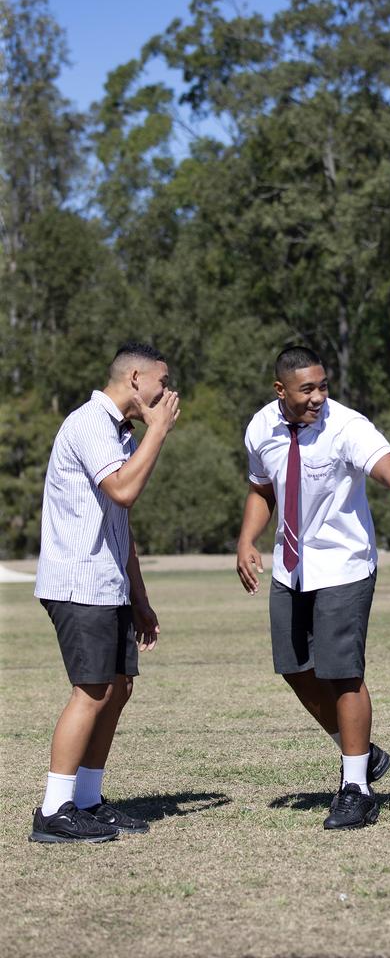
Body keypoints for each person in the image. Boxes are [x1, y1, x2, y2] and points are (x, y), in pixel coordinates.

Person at [236, 346, 390, 830]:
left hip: (344, 566)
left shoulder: (348, 426)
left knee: (341, 672)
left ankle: (356, 789)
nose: (318, 397)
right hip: (292, 569)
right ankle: (363, 754)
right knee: (293, 667)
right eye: (307, 389)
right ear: (280, 390)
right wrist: (246, 540)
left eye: (323, 386)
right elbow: (263, 488)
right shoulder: (260, 428)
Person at [30, 343, 180, 843]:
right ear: (135, 378)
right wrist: (158, 430)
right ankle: (54, 810)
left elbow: (120, 520)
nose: (167, 393)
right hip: (78, 581)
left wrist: (138, 596)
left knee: (118, 687)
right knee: (92, 690)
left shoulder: (120, 433)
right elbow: (123, 490)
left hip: (108, 582)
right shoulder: (90, 422)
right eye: (162, 382)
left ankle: (88, 799)